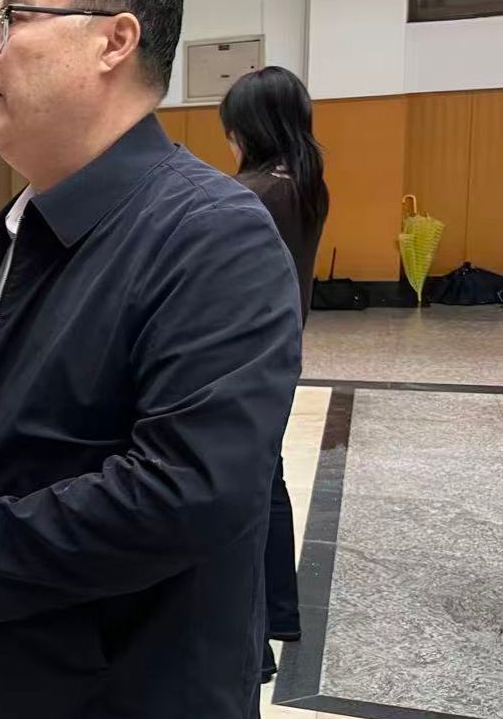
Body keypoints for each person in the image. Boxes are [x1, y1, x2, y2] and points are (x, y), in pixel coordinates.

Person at [0, 0, 302, 719]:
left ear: (115, 40)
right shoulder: (23, 226)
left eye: (15, 17)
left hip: (123, 688)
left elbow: (190, 486)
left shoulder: (213, 234)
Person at [221, 65, 330, 682]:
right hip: (278, 355)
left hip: (237, 359)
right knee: (267, 481)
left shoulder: (255, 193)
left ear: (252, 127)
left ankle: (252, 635)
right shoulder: (306, 183)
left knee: (241, 493)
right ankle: (278, 613)